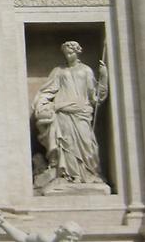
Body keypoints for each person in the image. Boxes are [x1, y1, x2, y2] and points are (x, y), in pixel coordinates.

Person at [32, 41, 108, 187]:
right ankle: (70, 176)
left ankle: (90, 173)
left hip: (81, 111)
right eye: (66, 53)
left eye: (71, 52)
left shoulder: (86, 71)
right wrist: (42, 105)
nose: (68, 55)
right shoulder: (59, 71)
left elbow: (95, 97)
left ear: (78, 52)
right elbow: (48, 91)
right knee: (67, 145)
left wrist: (103, 77)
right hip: (63, 112)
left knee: (87, 143)